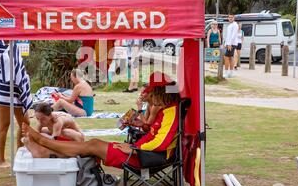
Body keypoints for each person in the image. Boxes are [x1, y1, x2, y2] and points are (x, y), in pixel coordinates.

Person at [22, 72, 180, 170]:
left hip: (144, 157)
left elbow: (161, 142)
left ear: (160, 92)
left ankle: (45, 144)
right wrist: (143, 128)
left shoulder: (170, 112)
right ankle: (47, 150)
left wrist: (133, 148)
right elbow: (157, 134)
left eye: (152, 92)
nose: (149, 96)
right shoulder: (166, 111)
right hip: (142, 152)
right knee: (90, 147)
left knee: (92, 146)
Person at [0, 40, 32, 168]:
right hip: (3, 90)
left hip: (17, 89)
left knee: (25, 123)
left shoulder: (13, 43)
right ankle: (1, 161)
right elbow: (8, 64)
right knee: (4, 125)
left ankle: (20, 153)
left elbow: (17, 64)